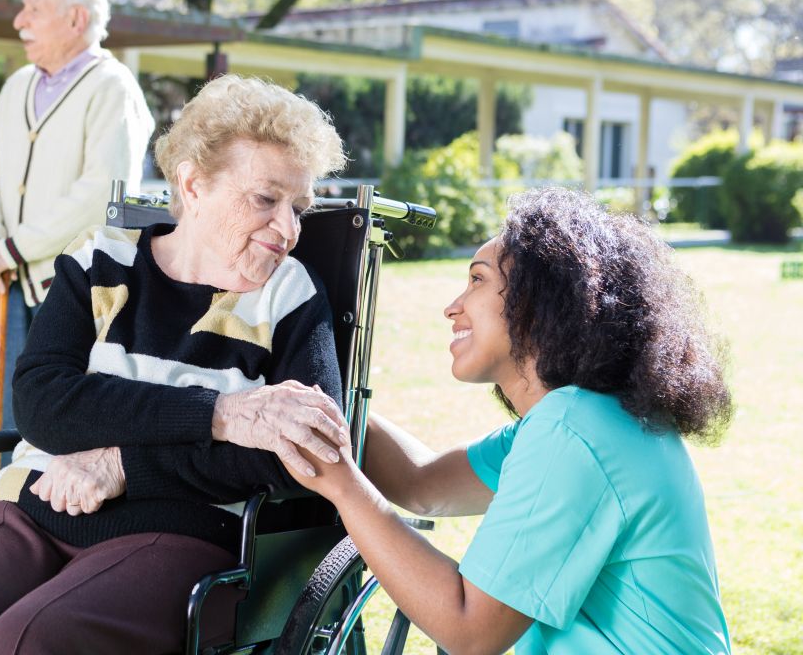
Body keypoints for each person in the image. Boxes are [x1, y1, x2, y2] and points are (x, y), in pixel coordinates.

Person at [0, 75, 349, 654]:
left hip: (178, 528)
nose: (289, 229)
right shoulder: (99, 260)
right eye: (266, 199)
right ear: (192, 185)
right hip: (32, 501)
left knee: (26, 644)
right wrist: (219, 413)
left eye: (299, 207)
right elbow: (45, 404)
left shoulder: (289, 295)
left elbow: (298, 447)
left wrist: (126, 465)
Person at [289, 187, 734, 654]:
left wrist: (341, 484)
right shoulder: (591, 417)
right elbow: (421, 483)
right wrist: (316, 399)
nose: (452, 306)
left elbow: (469, 630)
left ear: (539, 302)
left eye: (477, 280)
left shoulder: (575, 431)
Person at [0, 0, 155, 485]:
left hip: (71, 286)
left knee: (60, 415)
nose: (19, 20)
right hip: (5, 276)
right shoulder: (18, 86)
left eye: (34, 9)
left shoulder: (113, 87)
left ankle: (50, 520)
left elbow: (100, 192)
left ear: (77, 19)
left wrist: (12, 248)